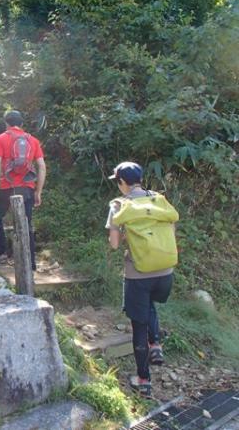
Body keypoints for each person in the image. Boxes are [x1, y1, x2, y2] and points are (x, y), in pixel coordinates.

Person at [105, 161, 174, 397]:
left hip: (138, 274)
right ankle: (156, 345)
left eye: (118, 182)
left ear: (122, 182)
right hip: (165, 271)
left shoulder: (119, 205)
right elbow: (170, 231)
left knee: (138, 325)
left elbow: (114, 245)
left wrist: (127, 235)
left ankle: (143, 381)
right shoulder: (159, 200)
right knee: (150, 304)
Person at [0, 110, 46, 270]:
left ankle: (0, 253)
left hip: (7, 187)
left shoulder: (0, 139)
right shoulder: (33, 141)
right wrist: (38, 191)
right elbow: (41, 167)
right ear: (21, 124)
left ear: (6, 123)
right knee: (26, 224)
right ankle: (31, 262)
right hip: (27, 188)